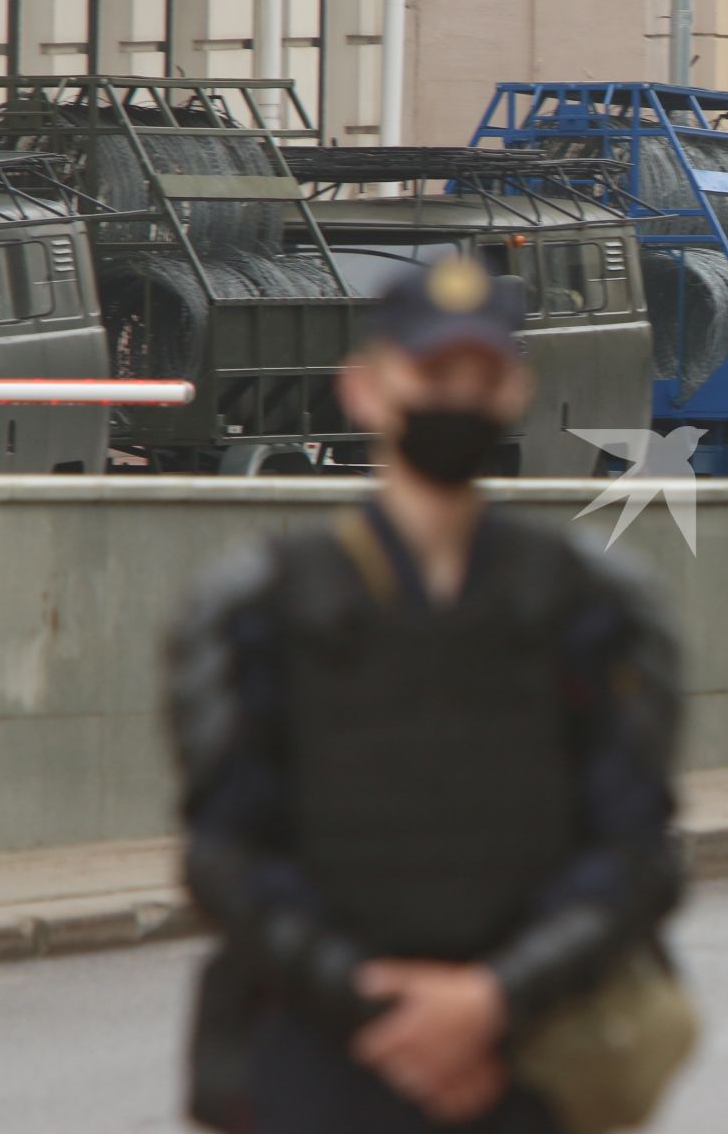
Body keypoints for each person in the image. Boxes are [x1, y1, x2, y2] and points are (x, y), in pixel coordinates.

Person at [166, 258, 683, 1134]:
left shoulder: (591, 608)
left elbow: (635, 849)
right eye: (432, 373)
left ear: (517, 390)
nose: (457, 398)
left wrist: (490, 1001)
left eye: (481, 376)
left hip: (528, 1061)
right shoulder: (257, 609)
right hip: (319, 1064)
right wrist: (377, 1006)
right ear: (364, 390)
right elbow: (228, 851)